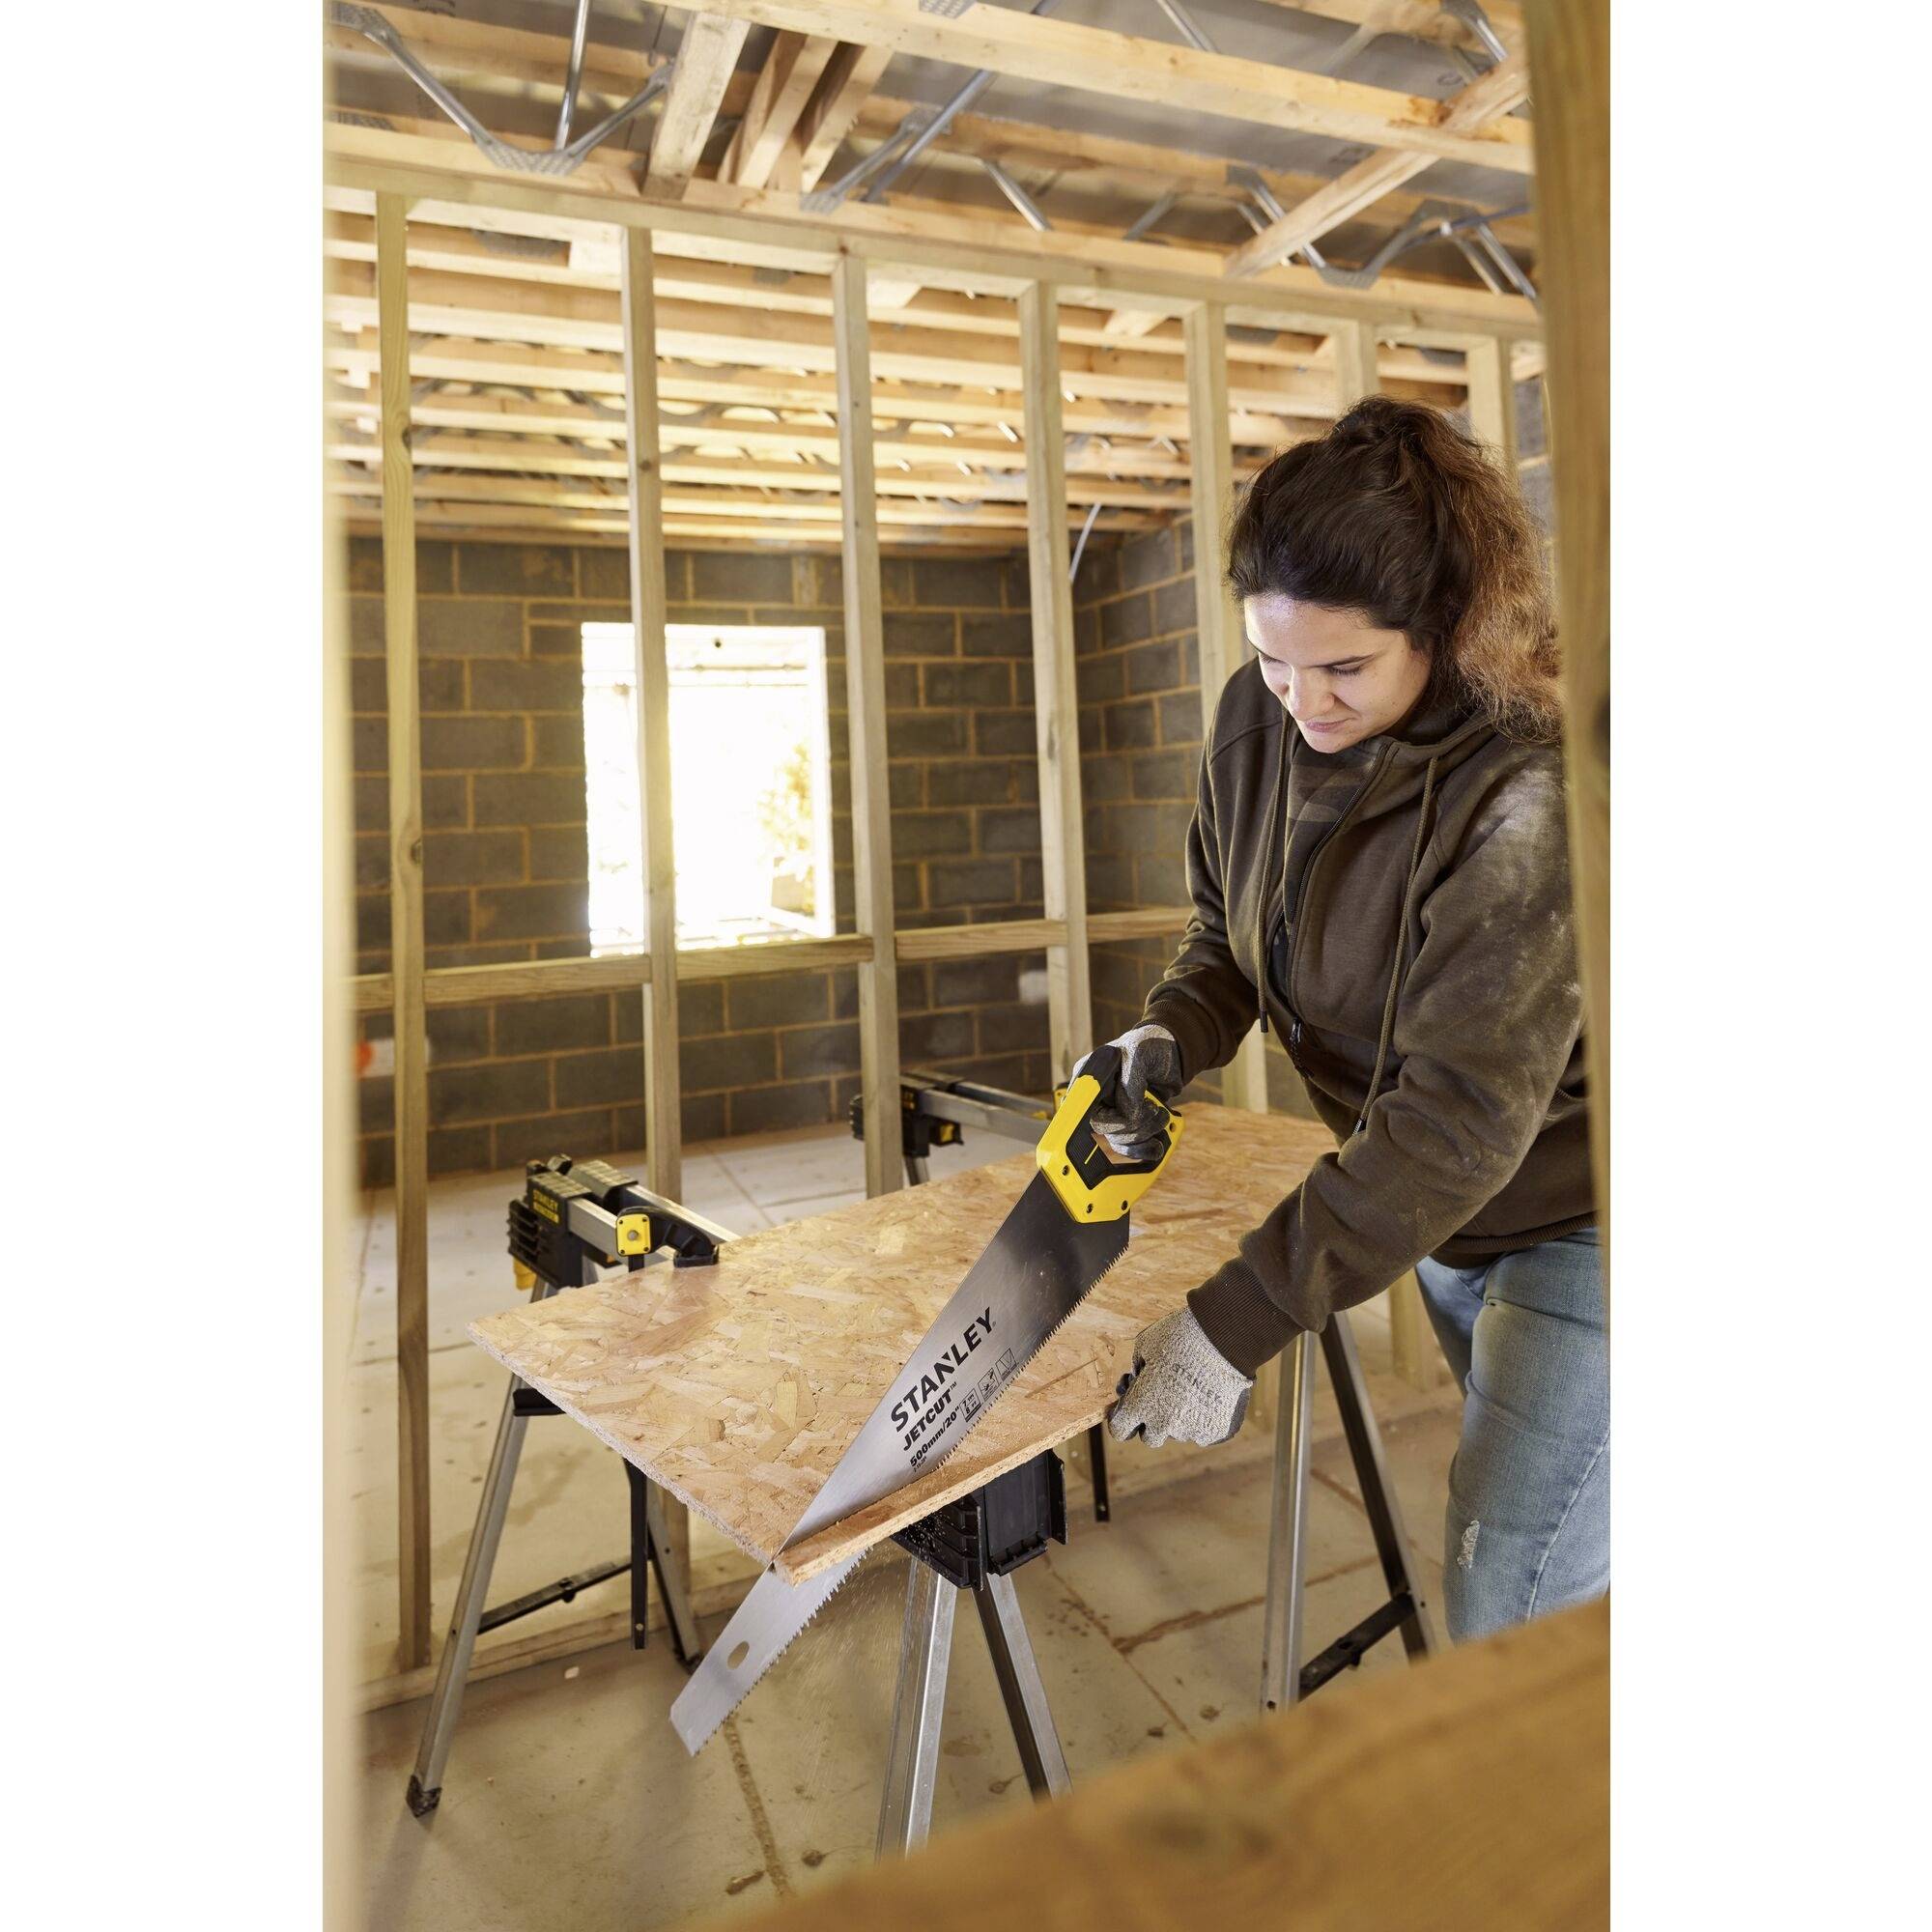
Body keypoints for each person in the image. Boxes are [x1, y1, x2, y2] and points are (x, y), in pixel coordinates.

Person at [1094, 395, 1604, 1641]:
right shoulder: (1253, 722)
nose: (1300, 701)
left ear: (1440, 632)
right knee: (1579, 1528)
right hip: (1441, 1220)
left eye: (1343, 668)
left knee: (1511, 1603)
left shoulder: (1522, 789)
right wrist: (1167, 1037)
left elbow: (1457, 1116)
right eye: (1274, 661)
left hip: (1585, 1214)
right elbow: (1228, 937)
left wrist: (1233, 1322)